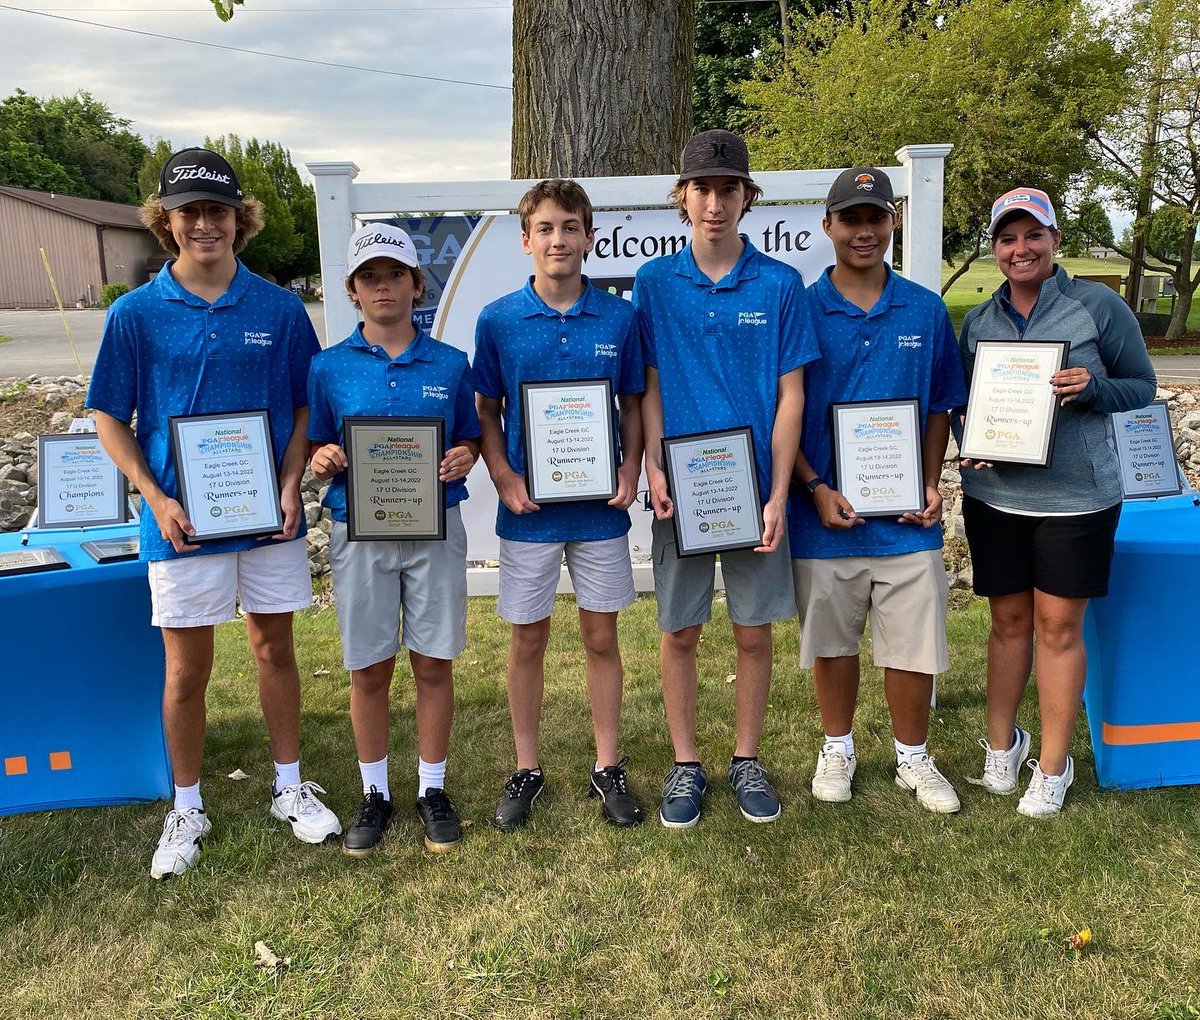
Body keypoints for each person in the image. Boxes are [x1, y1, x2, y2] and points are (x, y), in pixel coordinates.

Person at [88, 147, 340, 879]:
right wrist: (155, 495)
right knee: (186, 669)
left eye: (218, 211)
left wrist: (292, 481)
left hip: (266, 516)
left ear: (241, 220)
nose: (205, 224)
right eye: (189, 211)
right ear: (167, 222)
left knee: (273, 649)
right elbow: (110, 415)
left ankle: (290, 787)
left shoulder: (279, 308)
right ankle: (187, 804)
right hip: (179, 522)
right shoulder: (133, 314)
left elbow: (302, 405)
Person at [634, 129, 817, 828]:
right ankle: (687, 765)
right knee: (680, 629)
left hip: (754, 492)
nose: (715, 202)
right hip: (680, 488)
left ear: (748, 196)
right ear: (682, 197)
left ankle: (745, 759)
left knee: (751, 631)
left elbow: (791, 393)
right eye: (702, 188)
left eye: (728, 188)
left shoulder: (778, 285)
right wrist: (653, 460)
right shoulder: (655, 283)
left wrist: (777, 494)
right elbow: (648, 382)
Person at [958, 187, 1156, 817]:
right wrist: (975, 441)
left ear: (1055, 240)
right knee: (1008, 622)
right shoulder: (980, 320)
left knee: (1058, 628)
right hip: (996, 497)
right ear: (996, 248)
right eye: (1008, 239)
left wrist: (1093, 388)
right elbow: (970, 404)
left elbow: (1142, 387)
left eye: (1033, 236)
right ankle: (1002, 745)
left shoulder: (1096, 306)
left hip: (1077, 499)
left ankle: (1053, 763)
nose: (1021, 250)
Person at [790, 167, 967, 814]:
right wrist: (812, 487)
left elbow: (942, 404)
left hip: (904, 519)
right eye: (852, 219)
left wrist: (926, 479)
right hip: (825, 513)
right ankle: (837, 744)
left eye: (876, 218)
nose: (865, 231)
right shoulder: (801, 308)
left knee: (912, 643)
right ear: (828, 226)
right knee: (833, 642)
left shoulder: (924, 308)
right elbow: (785, 408)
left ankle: (913, 757)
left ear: (893, 222)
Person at [474, 179, 646, 831]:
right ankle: (527, 766)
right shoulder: (498, 320)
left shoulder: (620, 318)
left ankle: (607, 765)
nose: (558, 239)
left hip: (599, 509)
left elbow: (633, 403)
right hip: (529, 511)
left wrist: (629, 468)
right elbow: (485, 409)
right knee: (528, 639)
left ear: (589, 238)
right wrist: (502, 473)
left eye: (570, 227)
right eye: (545, 228)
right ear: (525, 241)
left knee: (602, 637)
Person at [307, 224, 480, 855]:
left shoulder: (449, 363)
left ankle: (431, 787)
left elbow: (470, 436)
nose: (384, 287)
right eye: (370, 277)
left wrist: (466, 455)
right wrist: (321, 456)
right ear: (353, 290)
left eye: (395, 275)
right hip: (361, 529)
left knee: (434, 660)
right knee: (369, 664)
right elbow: (315, 439)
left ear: (416, 285)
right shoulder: (327, 367)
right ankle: (374, 791)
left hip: (435, 528)